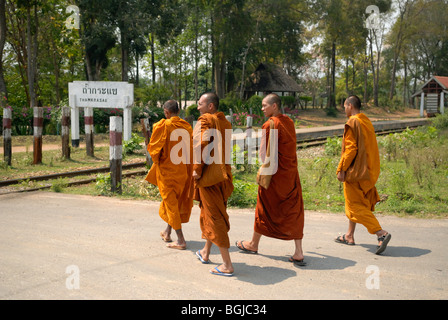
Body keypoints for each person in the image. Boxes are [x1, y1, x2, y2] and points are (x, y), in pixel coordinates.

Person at [236, 93, 306, 266]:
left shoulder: (270, 124)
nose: (262, 108)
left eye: (264, 105)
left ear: (274, 106)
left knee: (263, 208)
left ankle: (253, 244)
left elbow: (263, 153)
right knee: (294, 210)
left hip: (274, 176)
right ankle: (298, 251)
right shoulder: (289, 122)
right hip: (289, 175)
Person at [335, 95, 391, 255]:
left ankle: (381, 233)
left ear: (350, 106)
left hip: (354, 172)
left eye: (345, 106)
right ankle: (349, 235)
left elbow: (351, 149)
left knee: (354, 207)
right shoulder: (365, 120)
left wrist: (341, 169)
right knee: (357, 203)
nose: (344, 109)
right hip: (366, 170)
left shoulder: (352, 122)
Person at [193, 92, 235, 277]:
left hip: (210, 176)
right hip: (223, 175)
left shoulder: (205, 120)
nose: (198, 107)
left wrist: (197, 169)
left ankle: (227, 264)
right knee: (211, 213)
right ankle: (205, 252)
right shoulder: (225, 122)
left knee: (214, 217)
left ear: (210, 106)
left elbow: (202, 145)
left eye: (200, 103)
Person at [145, 100, 194, 250]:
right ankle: (167, 232)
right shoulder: (186, 127)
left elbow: (154, 151)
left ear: (166, 112)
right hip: (182, 172)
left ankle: (181, 240)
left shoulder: (163, 125)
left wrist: (159, 161)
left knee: (171, 204)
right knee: (173, 203)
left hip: (167, 172)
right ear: (178, 111)